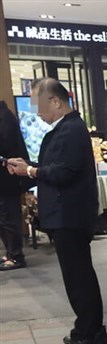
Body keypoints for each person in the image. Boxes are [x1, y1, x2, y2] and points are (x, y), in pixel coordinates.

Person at [6, 78, 106, 344]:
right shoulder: (68, 128)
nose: (36, 111)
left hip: (69, 216)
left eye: (38, 103)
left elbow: (63, 172)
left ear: (56, 101)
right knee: (81, 275)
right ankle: (94, 329)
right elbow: (57, 167)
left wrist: (30, 171)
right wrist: (31, 168)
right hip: (69, 213)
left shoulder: (70, 130)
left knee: (78, 277)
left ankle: (87, 334)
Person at [0, 101, 31, 271]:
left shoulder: (5, 118)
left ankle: (16, 255)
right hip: (5, 178)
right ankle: (10, 253)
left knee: (9, 217)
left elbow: (4, 144)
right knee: (3, 218)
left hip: (8, 179)